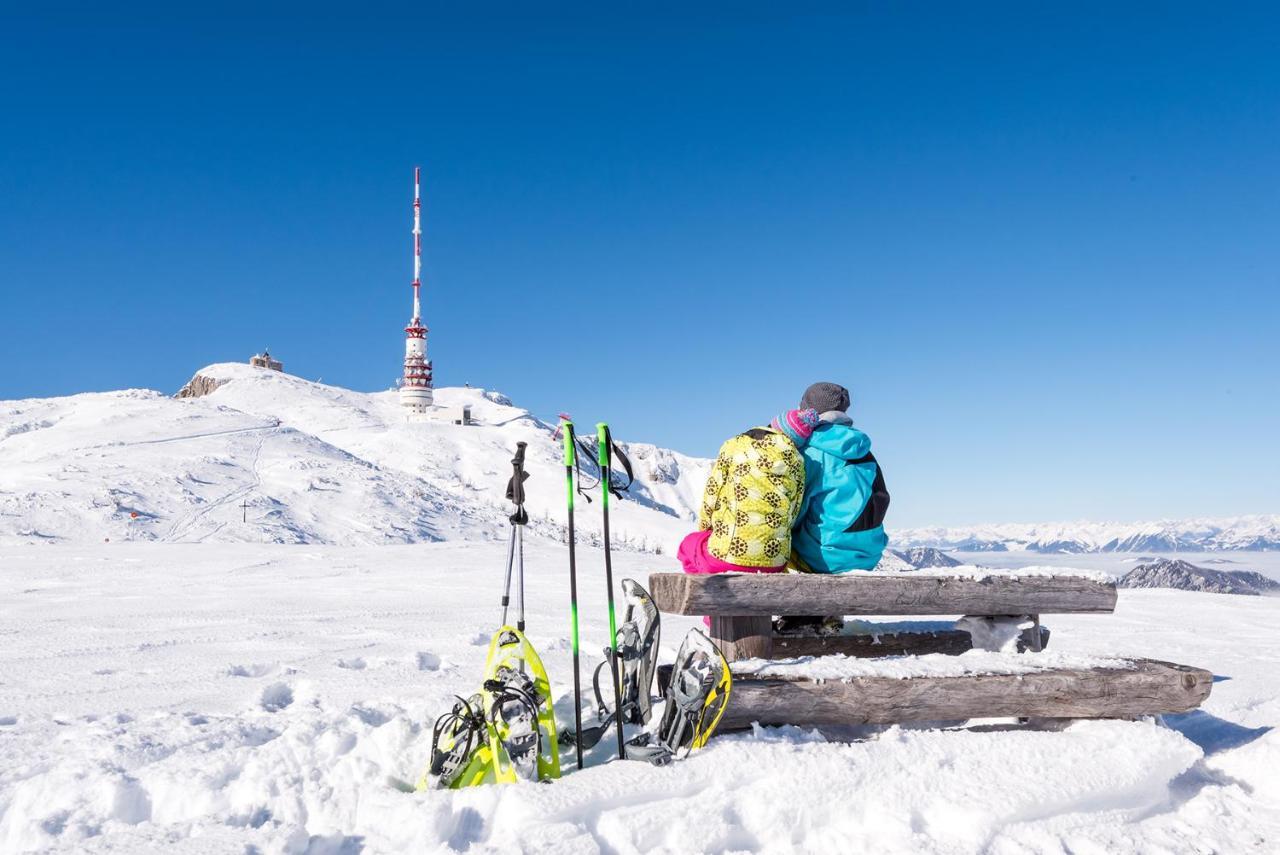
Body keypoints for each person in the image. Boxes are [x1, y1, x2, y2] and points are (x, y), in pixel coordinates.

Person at [780, 382, 890, 634]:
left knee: (772, 543)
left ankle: (803, 618)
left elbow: (794, 512)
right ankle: (827, 615)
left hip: (824, 557)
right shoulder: (863, 451)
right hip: (868, 553)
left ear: (806, 411)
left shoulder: (810, 452)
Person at [678, 408, 821, 577]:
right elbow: (794, 510)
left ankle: (705, 597)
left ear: (774, 425)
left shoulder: (734, 446)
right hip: (776, 562)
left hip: (727, 555)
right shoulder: (798, 462)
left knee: (687, 546)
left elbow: (712, 494)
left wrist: (705, 531)